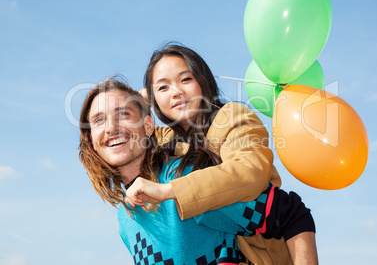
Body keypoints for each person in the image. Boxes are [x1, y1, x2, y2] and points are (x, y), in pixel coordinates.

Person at [79, 78, 317, 264]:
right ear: (91, 140)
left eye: (124, 114)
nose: (111, 127)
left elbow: (288, 213)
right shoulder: (125, 217)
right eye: (99, 120)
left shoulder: (184, 180)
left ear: (149, 126)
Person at [126, 43, 318, 264]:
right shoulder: (166, 139)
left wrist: (170, 190)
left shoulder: (231, 117)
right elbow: (129, 133)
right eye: (163, 88)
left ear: (203, 81)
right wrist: (142, 99)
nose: (177, 92)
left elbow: (248, 171)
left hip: (259, 251)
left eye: (186, 79)